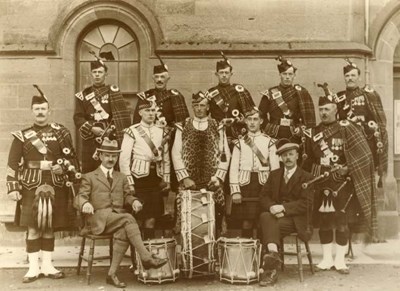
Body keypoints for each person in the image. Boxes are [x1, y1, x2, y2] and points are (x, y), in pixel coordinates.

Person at [6, 86, 79, 283]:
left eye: (43, 108)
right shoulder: (22, 136)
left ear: (49, 110)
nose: (40, 112)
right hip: (30, 186)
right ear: (32, 111)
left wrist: (63, 169)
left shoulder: (61, 133)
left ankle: (47, 266)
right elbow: (12, 165)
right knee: (33, 227)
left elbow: (72, 160)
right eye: (37, 109)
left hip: (55, 185)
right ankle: (32, 268)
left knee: (49, 226)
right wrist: (13, 188)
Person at [303, 83, 377, 274]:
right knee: (325, 223)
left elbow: (363, 155)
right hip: (322, 182)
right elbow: (309, 159)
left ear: (336, 110)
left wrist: (347, 168)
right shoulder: (313, 132)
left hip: (343, 184)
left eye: (327, 109)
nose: (323, 113)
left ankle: (340, 260)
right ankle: (327, 259)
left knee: (343, 222)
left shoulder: (347, 128)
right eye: (321, 110)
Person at [75, 138, 168, 288]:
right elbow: (80, 196)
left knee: (124, 232)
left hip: (117, 219)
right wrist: (85, 203)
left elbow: (127, 196)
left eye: (113, 156)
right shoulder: (90, 176)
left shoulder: (121, 177)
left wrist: (134, 201)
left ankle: (111, 274)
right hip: (97, 220)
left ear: (117, 157)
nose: (110, 159)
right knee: (128, 218)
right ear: (100, 156)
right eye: (107, 155)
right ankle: (146, 257)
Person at [171, 91, 231, 231]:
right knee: (186, 219)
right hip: (189, 182)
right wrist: (184, 178)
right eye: (196, 105)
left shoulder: (217, 125)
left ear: (208, 107)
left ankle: (215, 247)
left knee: (215, 218)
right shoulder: (183, 125)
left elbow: (225, 154)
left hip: (212, 181)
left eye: (202, 105)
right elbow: (176, 153)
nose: (199, 109)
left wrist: (218, 178)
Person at [258, 139, 314, 286]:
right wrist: (272, 207)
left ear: (297, 156)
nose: (287, 158)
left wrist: (283, 208)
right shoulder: (275, 174)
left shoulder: (306, 177)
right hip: (275, 217)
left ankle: (270, 262)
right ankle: (273, 256)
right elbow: (263, 196)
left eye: (290, 154)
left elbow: (307, 203)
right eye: (284, 156)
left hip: (296, 220)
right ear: (281, 158)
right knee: (266, 216)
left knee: (266, 221)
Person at [119, 98, 171, 239]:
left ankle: (149, 250)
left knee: (152, 217)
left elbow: (166, 158)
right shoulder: (132, 131)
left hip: (155, 179)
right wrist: (129, 182)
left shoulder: (162, 131)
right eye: (147, 110)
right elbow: (124, 159)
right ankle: (136, 254)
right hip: (138, 179)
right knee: (137, 217)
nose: (150, 113)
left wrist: (166, 179)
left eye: (153, 110)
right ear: (140, 112)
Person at [73, 52, 131, 173]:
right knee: (90, 172)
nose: (97, 75)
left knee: (109, 171)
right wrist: (91, 128)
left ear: (106, 74)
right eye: (94, 72)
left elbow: (121, 117)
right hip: (90, 141)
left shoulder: (113, 92)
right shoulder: (83, 95)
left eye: (100, 72)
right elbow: (78, 118)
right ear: (91, 75)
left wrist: (111, 131)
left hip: (109, 138)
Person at [229, 107, 280, 238]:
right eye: (249, 119)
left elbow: (275, 170)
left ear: (261, 121)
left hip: (264, 185)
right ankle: (248, 255)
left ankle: (265, 254)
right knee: (247, 222)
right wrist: (235, 191)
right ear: (245, 121)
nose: (252, 122)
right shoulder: (239, 143)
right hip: (245, 186)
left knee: (264, 221)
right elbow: (234, 168)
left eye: (255, 119)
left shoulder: (269, 142)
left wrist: (275, 192)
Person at [337, 58, 388, 187]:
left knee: (365, 179)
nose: (350, 78)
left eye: (353, 75)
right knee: (347, 179)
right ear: (344, 78)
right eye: (347, 76)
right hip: (346, 142)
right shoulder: (339, 97)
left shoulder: (368, 95)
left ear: (359, 77)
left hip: (366, 141)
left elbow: (379, 121)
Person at [258, 56, 316, 154]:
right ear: (280, 75)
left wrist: (300, 129)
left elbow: (307, 118)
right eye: (284, 74)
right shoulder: (270, 93)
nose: (287, 77)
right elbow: (260, 115)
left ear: (294, 76)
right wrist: (268, 128)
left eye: (290, 74)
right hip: (274, 134)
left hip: (294, 134)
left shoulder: (301, 93)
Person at [205, 52, 255, 144]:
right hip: (217, 132)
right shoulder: (211, 93)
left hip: (238, 132)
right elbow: (202, 116)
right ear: (216, 74)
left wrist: (242, 120)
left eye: (226, 72)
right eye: (221, 72)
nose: (224, 75)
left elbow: (253, 114)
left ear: (231, 74)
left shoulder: (240, 90)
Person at [132, 55, 189, 127]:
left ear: (168, 79)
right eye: (156, 77)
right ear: (153, 78)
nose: (159, 80)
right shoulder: (145, 96)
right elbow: (136, 122)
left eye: (162, 77)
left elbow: (183, 121)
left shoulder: (175, 96)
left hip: (171, 135)